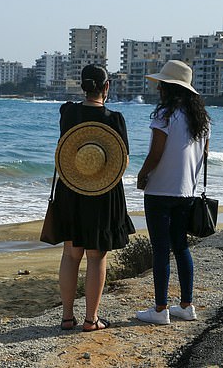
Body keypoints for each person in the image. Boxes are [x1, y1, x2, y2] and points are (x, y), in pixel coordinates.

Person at [52, 64, 135, 332]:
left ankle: (66, 317)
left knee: (70, 253)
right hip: (103, 190)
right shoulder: (115, 119)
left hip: (71, 187)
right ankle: (91, 319)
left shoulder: (68, 113)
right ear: (106, 87)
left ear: (83, 86)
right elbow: (124, 160)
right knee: (96, 257)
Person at [135, 60, 211, 325]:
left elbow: (156, 153)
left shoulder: (164, 115)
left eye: (162, 85)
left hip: (159, 191)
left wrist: (142, 175)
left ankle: (160, 309)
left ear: (168, 87)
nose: (159, 89)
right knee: (181, 247)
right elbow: (204, 155)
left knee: (160, 250)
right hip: (185, 192)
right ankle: (187, 306)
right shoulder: (202, 120)